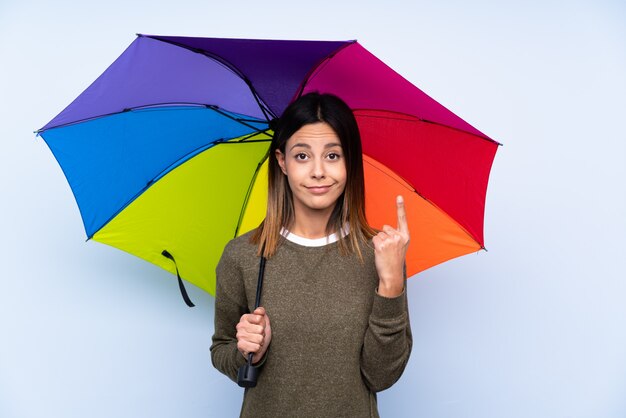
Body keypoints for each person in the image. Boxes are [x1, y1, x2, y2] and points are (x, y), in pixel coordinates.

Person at [210, 92, 412, 418]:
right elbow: (222, 350)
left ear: (351, 162)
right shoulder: (242, 256)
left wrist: (390, 282)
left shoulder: (382, 253)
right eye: (302, 156)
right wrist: (249, 352)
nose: (318, 171)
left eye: (333, 156)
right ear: (282, 161)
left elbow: (382, 375)